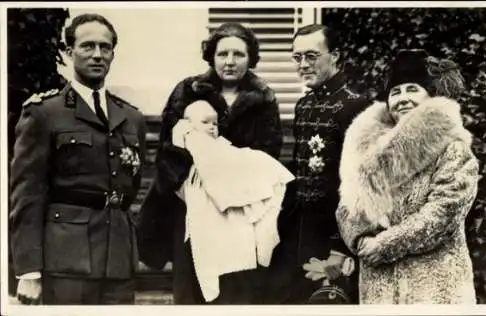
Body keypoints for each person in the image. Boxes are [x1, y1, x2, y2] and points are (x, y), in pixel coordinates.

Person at [137, 22, 283, 304]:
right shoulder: (188, 90)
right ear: (211, 56)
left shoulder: (264, 99)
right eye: (222, 53)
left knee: (235, 285)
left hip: (241, 207)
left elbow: (268, 154)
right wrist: (189, 184)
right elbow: (169, 145)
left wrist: (234, 185)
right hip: (191, 202)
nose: (230, 61)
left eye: (238, 54)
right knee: (192, 287)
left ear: (250, 58)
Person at [10, 13, 146, 305]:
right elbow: (27, 195)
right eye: (87, 46)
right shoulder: (45, 113)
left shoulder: (131, 117)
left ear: (112, 53)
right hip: (66, 260)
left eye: (105, 47)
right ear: (69, 52)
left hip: (118, 260)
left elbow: (129, 186)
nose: (97, 55)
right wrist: (29, 269)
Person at [336, 49, 479, 304]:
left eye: (412, 89)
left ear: (431, 95)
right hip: (378, 287)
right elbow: (347, 207)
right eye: (395, 92)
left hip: (434, 285)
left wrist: (385, 244)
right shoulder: (366, 150)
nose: (402, 99)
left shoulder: (452, 148)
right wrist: (359, 239)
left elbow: (444, 212)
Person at [268, 23, 371, 304]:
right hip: (299, 233)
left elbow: (360, 185)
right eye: (297, 57)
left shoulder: (355, 106)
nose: (303, 64)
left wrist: (341, 246)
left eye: (311, 56)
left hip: (334, 234)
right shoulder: (303, 105)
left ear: (334, 56)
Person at [170, 100, 293, 303]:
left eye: (215, 123)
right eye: (205, 122)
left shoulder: (224, 151)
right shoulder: (187, 150)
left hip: (232, 235)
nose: (212, 127)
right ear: (187, 125)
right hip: (203, 230)